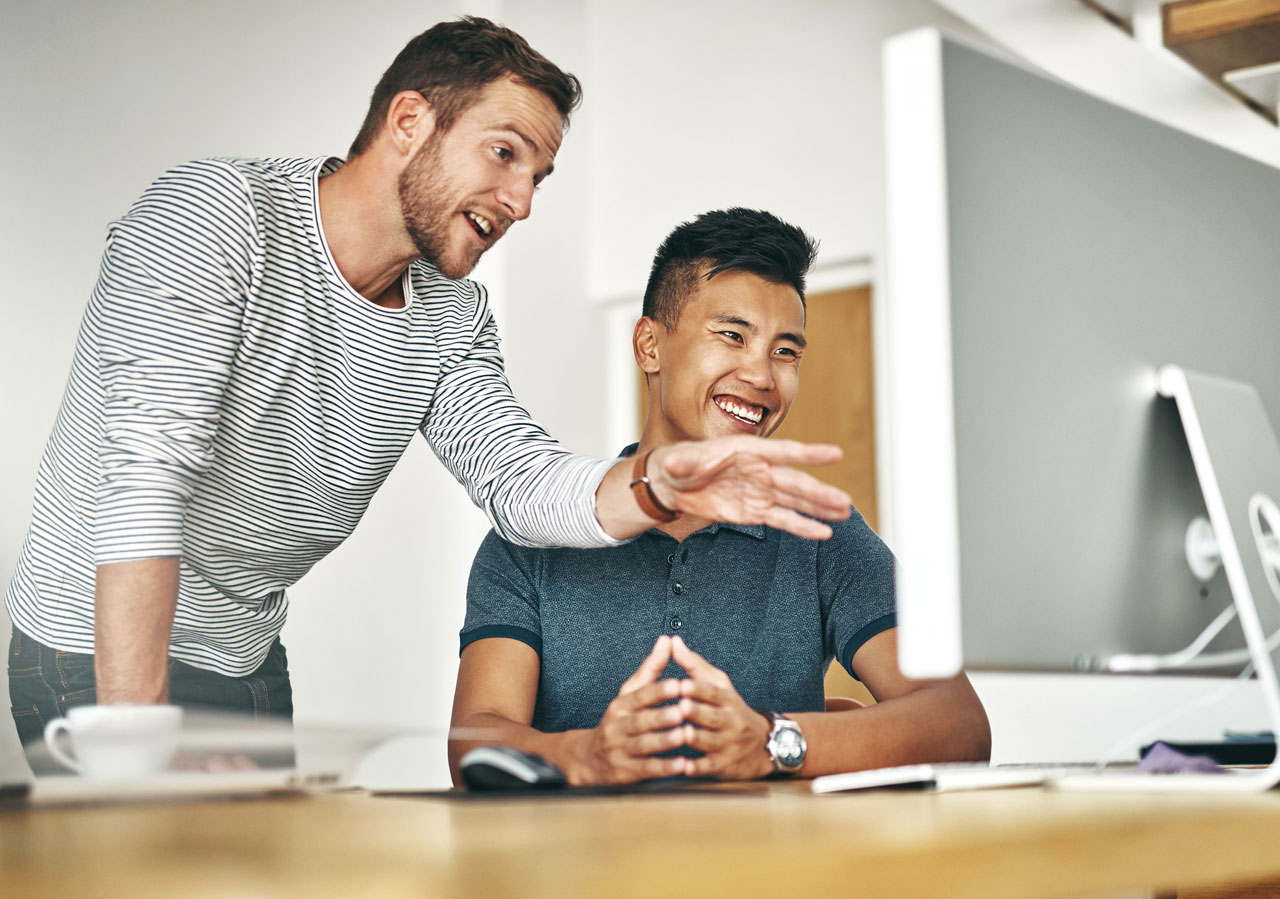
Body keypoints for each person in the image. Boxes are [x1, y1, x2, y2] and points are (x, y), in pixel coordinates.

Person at [5, 18, 853, 754]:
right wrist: (133, 742)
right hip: (90, 640)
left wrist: (651, 484)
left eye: (538, 177)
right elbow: (146, 480)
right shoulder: (214, 218)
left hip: (241, 654)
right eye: (504, 153)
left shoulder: (451, 315)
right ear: (409, 120)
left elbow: (518, 482)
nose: (520, 200)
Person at [449, 209, 990, 785]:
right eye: (733, 336)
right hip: (580, 872)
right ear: (649, 345)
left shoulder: (819, 532)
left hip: (770, 873)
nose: (762, 376)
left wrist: (774, 742)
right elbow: (474, 743)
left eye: (786, 352)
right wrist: (588, 757)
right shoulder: (531, 537)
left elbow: (960, 725)